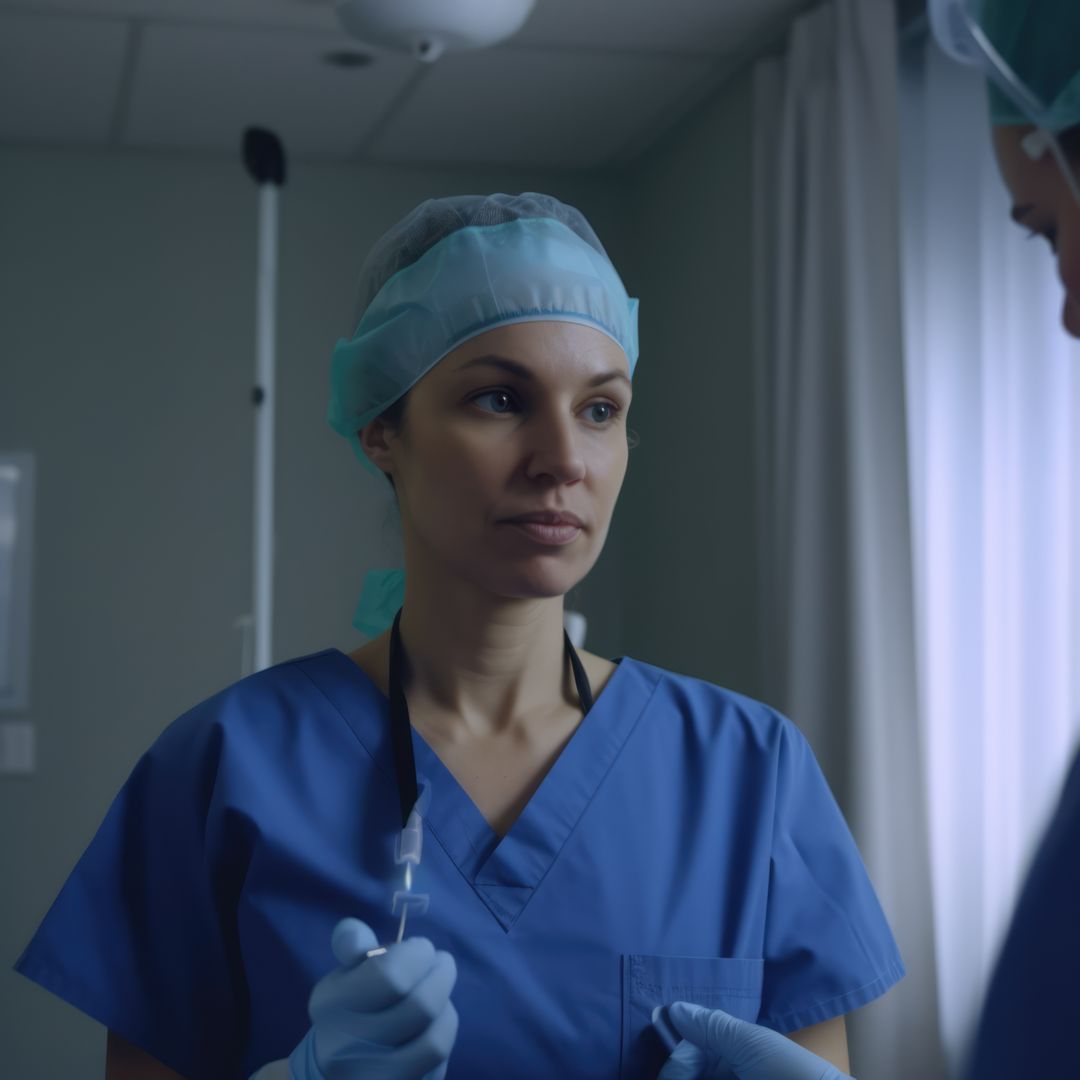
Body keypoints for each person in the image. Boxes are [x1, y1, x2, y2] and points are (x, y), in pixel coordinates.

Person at [12, 194, 904, 1080]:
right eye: (499, 399)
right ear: (381, 430)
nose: (564, 458)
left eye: (600, 409)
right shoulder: (222, 768)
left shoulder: (749, 770)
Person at [652, 1, 1080, 1077]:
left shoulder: (743, 761)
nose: (1067, 310)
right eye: (496, 401)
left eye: (1050, 227)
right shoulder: (239, 758)